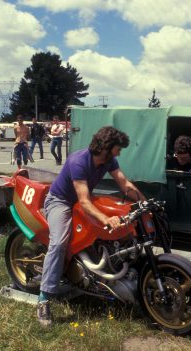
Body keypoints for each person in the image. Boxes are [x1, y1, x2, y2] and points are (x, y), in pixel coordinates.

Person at [37, 126, 146, 327]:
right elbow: (84, 201)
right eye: (117, 148)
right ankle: (44, 298)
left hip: (81, 200)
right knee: (59, 242)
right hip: (60, 201)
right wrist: (105, 218)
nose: (119, 152)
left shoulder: (109, 160)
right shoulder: (78, 161)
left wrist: (144, 204)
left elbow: (125, 184)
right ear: (106, 147)